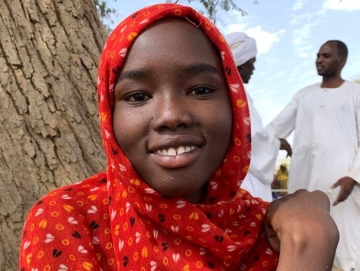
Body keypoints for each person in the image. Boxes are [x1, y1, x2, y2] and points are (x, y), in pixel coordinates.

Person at [19, 4, 339, 271]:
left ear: (235, 107)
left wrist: (305, 235)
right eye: (138, 96)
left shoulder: (270, 231)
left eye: (200, 90)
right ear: (108, 114)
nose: (172, 115)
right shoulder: (68, 221)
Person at [267, 40, 360, 271]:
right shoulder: (304, 95)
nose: (319, 60)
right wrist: (277, 140)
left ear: (342, 60)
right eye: (318, 55)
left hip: (343, 186)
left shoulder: (357, 93)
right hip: (305, 185)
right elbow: (273, 129)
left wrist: (354, 177)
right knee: (305, 242)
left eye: (326, 56)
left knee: (348, 245)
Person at [223, 32, 291, 201]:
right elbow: (252, 137)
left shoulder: (221, 91)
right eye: (252, 63)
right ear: (241, 65)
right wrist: (278, 143)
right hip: (245, 179)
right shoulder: (237, 94)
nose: (253, 69)